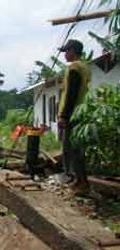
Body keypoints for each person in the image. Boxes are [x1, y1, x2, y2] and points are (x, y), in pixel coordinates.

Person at [57, 39, 91, 194]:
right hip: (80, 112)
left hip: (72, 114)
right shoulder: (85, 68)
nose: (64, 54)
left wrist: (64, 116)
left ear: (73, 51)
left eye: (66, 51)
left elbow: (71, 94)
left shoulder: (74, 68)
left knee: (72, 149)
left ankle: (80, 182)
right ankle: (79, 180)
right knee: (76, 149)